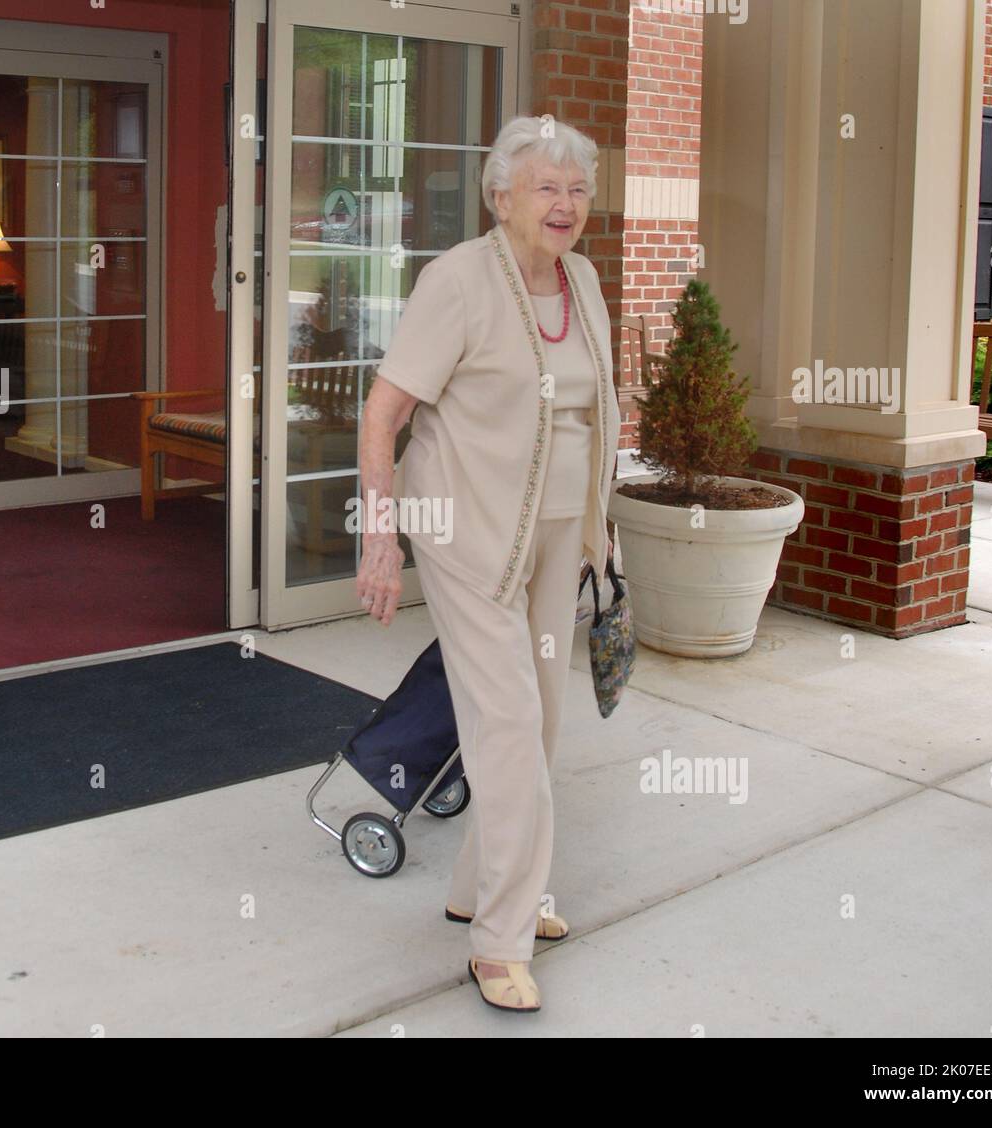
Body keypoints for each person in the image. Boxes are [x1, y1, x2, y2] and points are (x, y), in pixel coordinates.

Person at [356, 115, 619, 1012]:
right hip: (467, 528)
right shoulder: (458, 281)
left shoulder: (581, 281)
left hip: (553, 535)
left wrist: (600, 530)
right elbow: (381, 414)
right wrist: (380, 536)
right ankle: (499, 937)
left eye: (578, 189)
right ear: (499, 195)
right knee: (505, 726)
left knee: (537, 719)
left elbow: (591, 415)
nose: (566, 205)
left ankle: (479, 882)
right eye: (545, 187)